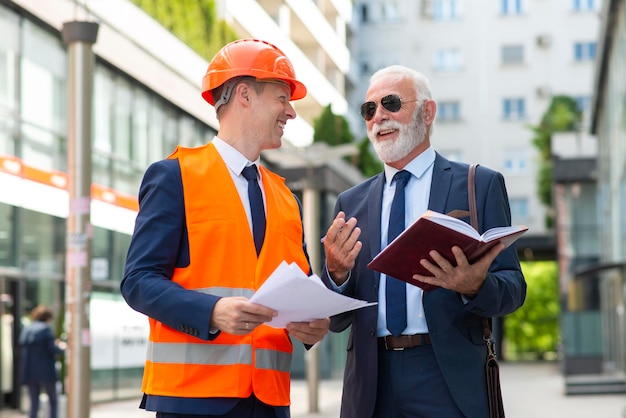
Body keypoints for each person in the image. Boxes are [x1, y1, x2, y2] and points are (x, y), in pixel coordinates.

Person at [120, 38, 330, 418]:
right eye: (283, 97)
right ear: (245, 95)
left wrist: (313, 323)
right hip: (192, 398)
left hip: (269, 401)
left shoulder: (286, 198)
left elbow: (300, 289)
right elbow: (138, 281)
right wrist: (212, 311)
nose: (291, 112)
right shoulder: (175, 177)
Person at [321, 65, 527, 418]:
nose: (379, 117)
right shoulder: (350, 203)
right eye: (369, 110)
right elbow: (336, 320)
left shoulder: (479, 185)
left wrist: (476, 285)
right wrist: (336, 276)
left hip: (447, 376)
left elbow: (513, 290)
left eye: (391, 102)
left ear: (427, 112)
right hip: (371, 382)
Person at [19, 305, 65, 418]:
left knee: (34, 404)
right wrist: (61, 347)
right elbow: (52, 350)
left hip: (29, 372)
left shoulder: (27, 330)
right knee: (53, 402)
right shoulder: (46, 330)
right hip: (46, 372)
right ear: (48, 318)